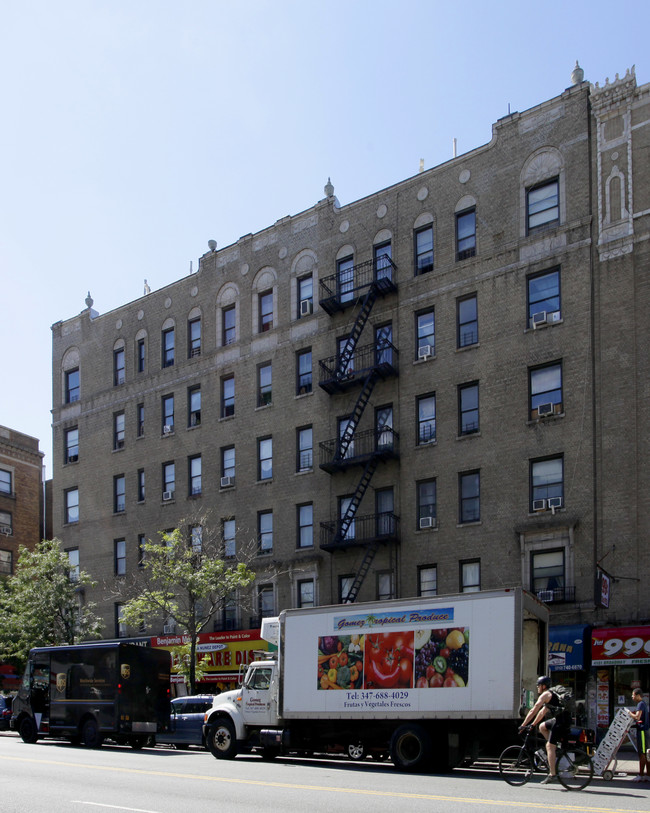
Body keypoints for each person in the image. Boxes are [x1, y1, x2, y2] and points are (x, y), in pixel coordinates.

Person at [519, 676, 571, 784]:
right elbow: (542, 712)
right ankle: (554, 747)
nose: (537, 687)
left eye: (538, 685)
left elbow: (534, 710)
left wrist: (523, 725)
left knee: (549, 746)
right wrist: (533, 725)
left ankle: (552, 774)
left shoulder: (545, 695)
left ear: (543, 686)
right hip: (561, 719)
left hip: (561, 721)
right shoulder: (551, 695)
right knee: (542, 727)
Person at [628, 688, 649, 782]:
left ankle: (641, 775)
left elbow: (637, 717)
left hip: (642, 731)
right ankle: (648, 775)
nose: (632, 697)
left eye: (633, 695)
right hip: (645, 731)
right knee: (646, 754)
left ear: (638, 695)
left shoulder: (640, 704)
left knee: (642, 754)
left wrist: (628, 713)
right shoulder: (643, 704)